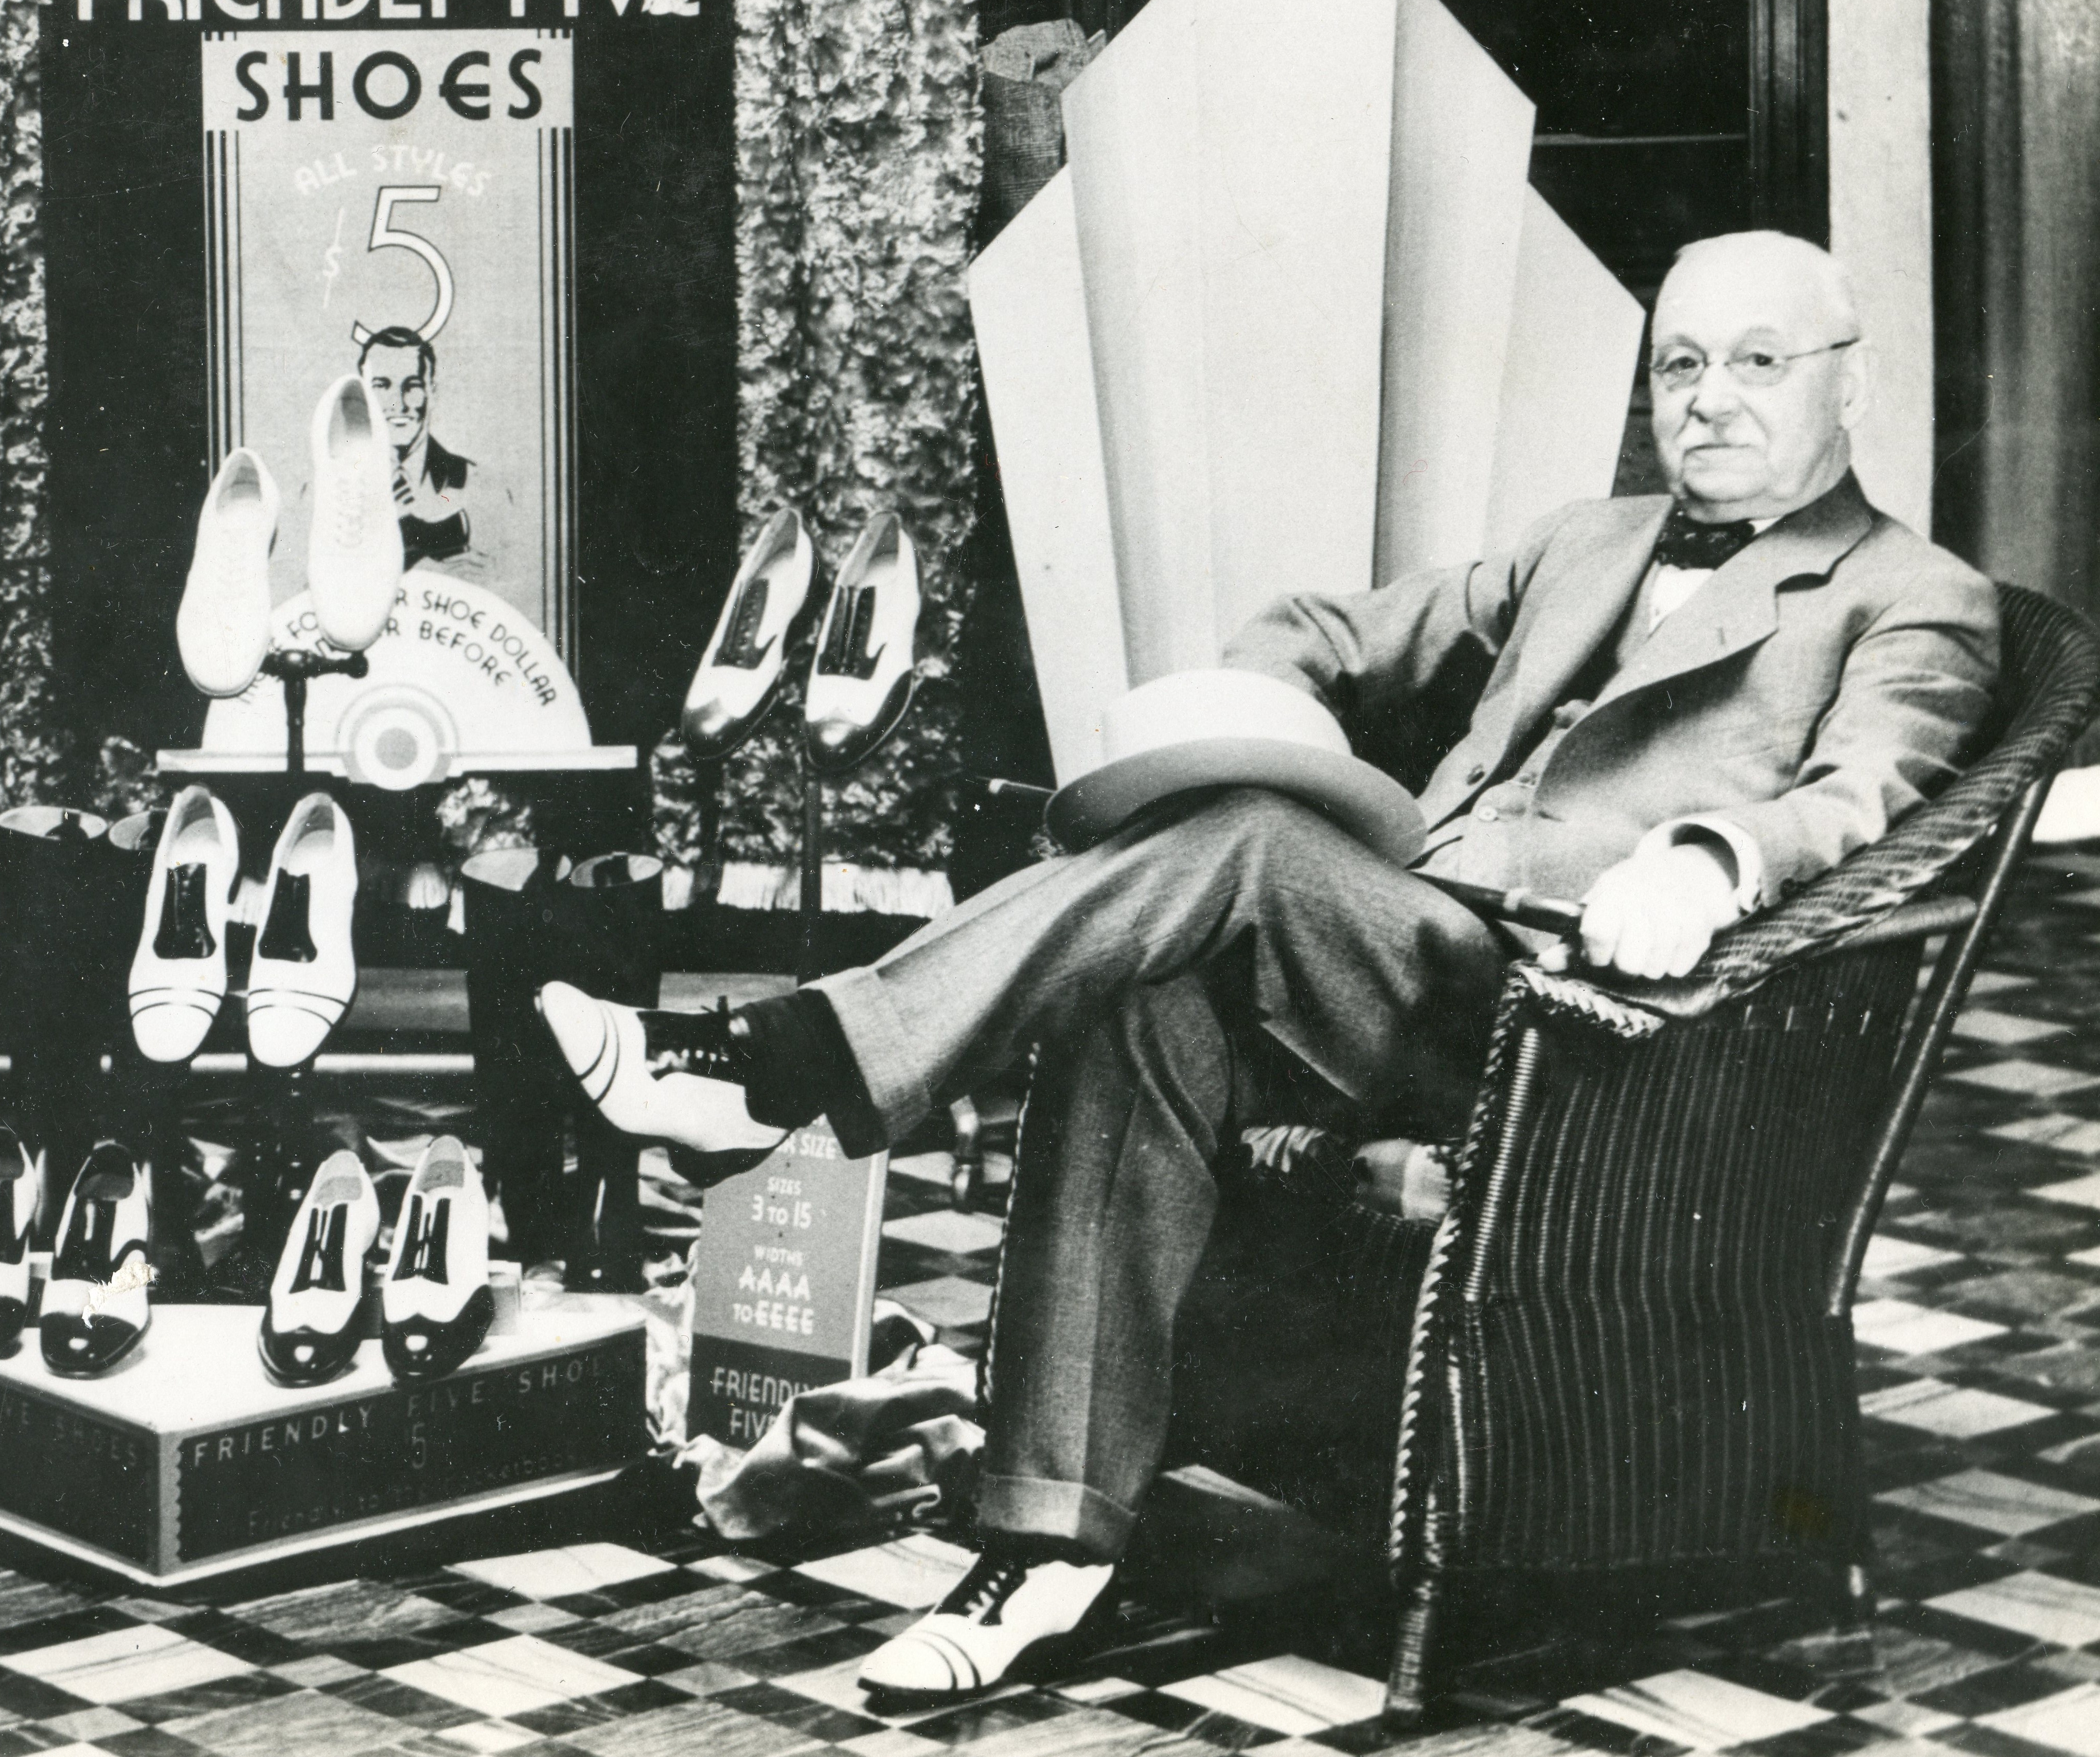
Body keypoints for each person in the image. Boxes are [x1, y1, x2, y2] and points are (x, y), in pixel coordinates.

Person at [537, 231, 2001, 1702]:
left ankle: (769, 1071)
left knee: (1235, 845)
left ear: (1849, 381)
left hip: (1601, 1036)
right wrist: (1262, 705)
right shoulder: (1587, 541)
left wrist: (1707, 861)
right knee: (1143, 991)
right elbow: (1323, 633)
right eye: (1679, 363)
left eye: (1757, 360)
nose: (1709, 399)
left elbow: (1865, 792)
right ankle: (1046, 1545)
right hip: (1415, 972)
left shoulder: (1913, 594)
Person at [358, 325, 494, 577]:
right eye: (382, 386)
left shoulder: (476, 483)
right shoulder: (328, 486)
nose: (398, 404)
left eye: (412, 386)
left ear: (433, 392)